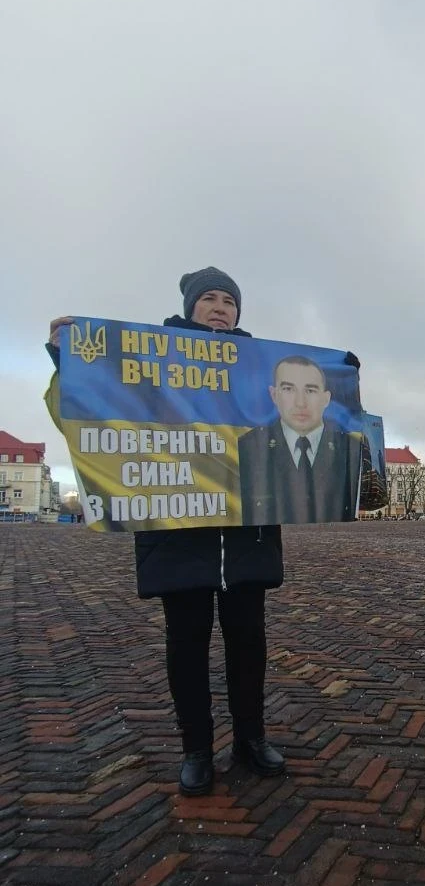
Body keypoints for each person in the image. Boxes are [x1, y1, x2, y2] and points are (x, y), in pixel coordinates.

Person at [46, 268, 286, 796]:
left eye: (229, 300)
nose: (221, 307)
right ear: (189, 307)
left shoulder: (264, 366)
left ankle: (251, 737)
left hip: (247, 533)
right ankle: (196, 749)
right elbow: (95, 408)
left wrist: (339, 378)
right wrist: (67, 360)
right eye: (210, 299)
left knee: (249, 642)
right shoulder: (151, 359)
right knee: (187, 643)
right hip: (179, 532)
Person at [239, 355, 364, 524]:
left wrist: (351, 382)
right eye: (288, 389)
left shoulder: (349, 447)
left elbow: (364, 494)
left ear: (326, 398)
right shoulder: (247, 446)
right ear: (274, 395)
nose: (300, 403)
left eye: (310, 390)